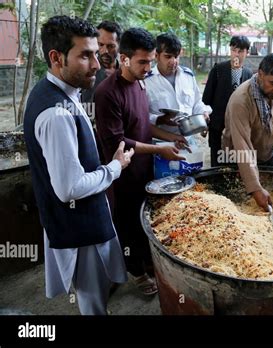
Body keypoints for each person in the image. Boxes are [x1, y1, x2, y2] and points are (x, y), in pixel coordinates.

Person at [23, 15, 132, 315]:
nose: (96, 64)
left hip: (80, 222)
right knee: (93, 303)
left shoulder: (58, 93)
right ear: (56, 58)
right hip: (79, 230)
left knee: (93, 298)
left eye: (96, 53)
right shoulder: (56, 114)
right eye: (85, 55)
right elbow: (69, 188)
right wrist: (115, 167)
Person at [94, 28, 184, 296]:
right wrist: (160, 150)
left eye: (150, 60)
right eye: (142, 62)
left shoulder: (141, 83)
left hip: (145, 169)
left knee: (146, 219)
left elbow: (143, 125)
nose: (148, 67)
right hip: (121, 174)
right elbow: (118, 142)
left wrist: (170, 139)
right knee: (127, 224)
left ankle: (145, 262)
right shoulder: (106, 93)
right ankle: (136, 273)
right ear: (124, 59)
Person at [221, 53, 273, 210]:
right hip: (239, 160)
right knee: (240, 205)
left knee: (271, 196)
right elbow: (243, 148)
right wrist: (255, 188)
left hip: (266, 155)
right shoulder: (241, 101)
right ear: (260, 74)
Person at [145, 32, 211, 137]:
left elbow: (196, 102)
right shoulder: (146, 81)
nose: (173, 61)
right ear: (156, 56)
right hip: (160, 144)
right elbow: (141, 116)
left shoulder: (188, 75)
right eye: (168, 56)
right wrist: (159, 119)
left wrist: (203, 112)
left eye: (176, 56)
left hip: (189, 140)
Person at [203, 35, 253, 167]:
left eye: (241, 51)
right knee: (217, 160)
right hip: (217, 124)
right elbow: (206, 98)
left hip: (238, 126)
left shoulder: (248, 74)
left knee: (234, 162)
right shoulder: (218, 70)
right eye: (234, 50)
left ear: (247, 53)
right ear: (230, 50)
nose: (236, 54)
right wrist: (204, 123)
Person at [81, 20, 122, 105]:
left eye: (111, 46)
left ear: (119, 46)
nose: (105, 51)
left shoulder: (125, 72)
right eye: (100, 44)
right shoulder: (85, 69)